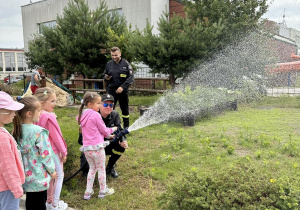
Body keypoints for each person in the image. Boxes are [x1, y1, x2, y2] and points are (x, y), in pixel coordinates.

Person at [12, 96, 57, 210]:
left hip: (25, 177)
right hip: (39, 177)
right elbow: (46, 155)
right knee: (40, 204)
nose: (40, 113)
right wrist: (52, 171)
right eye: (38, 111)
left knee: (30, 203)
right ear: (29, 113)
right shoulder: (39, 132)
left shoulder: (16, 130)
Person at [78, 94, 129, 178]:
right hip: (92, 147)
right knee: (85, 169)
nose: (108, 107)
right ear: (99, 105)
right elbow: (80, 140)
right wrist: (99, 141)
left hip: (107, 145)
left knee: (121, 146)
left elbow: (119, 130)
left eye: (111, 105)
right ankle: (89, 169)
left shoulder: (115, 115)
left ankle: (110, 167)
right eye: (105, 104)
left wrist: (123, 140)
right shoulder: (91, 116)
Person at [78, 92, 117, 200]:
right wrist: (113, 129)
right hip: (97, 148)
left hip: (87, 149)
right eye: (98, 103)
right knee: (101, 169)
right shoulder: (95, 115)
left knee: (92, 169)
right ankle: (103, 191)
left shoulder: (82, 115)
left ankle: (88, 192)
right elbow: (104, 131)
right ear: (90, 104)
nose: (100, 105)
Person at [35, 87, 68, 210]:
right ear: (42, 102)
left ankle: (49, 201)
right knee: (59, 176)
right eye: (52, 101)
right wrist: (64, 151)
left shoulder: (36, 115)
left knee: (49, 178)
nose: (55, 104)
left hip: (42, 153)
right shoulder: (49, 117)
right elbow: (56, 137)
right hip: (54, 152)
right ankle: (54, 203)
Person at [0, 91, 25, 210]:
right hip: (7, 187)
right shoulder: (2, 137)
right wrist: (16, 187)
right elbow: (7, 165)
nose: (14, 114)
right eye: (11, 111)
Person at [103, 46, 134, 129]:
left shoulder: (126, 64)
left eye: (116, 55)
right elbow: (104, 76)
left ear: (120, 54)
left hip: (123, 90)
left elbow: (131, 78)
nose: (114, 57)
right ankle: (108, 126)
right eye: (112, 55)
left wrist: (122, 87)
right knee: (109, 108)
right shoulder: (109, 64)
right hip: (111, 90)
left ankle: (126, 127)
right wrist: (106, 78)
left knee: (124, 108)